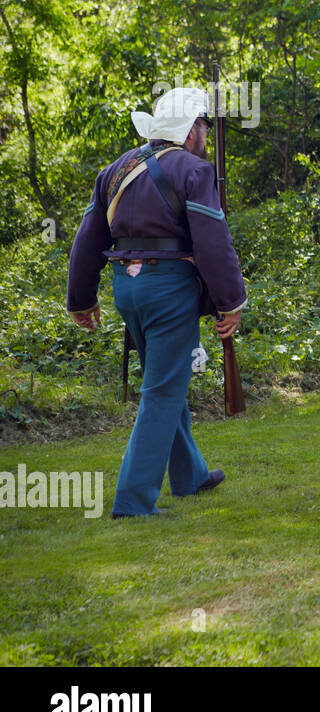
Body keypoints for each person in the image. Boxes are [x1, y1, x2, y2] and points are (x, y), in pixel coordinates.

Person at [66, 86, 246, 518]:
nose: (204, 132)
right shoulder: (194, 170)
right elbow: (213, 242)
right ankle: (133, 501)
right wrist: (231, 300)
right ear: (188, 132)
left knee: (167, 381)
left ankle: (190, 476)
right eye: (201, 124)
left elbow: (88, 238)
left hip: (127, 290)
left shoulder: (115, 169)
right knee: (163, 392)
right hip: (168, 289)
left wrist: (81, 298)